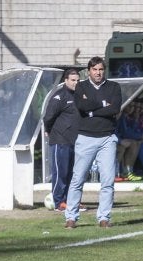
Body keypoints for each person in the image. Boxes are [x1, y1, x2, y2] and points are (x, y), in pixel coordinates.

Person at [64, 56, 122, 229]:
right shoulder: (81, 86)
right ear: (88, 71)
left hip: (107, 138)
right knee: (78, 178)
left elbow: (115, 108)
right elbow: (81, 106)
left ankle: (104, 217)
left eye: (101, 69)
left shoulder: (114, 87)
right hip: (85, 137)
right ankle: (71, 217)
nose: (98, 73)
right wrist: (103, 105)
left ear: (104, 70)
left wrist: (92, 110)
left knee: (107, 180)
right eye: (95, 69)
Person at [42, 69, 86, 212]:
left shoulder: (80, 96)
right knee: (61, 172)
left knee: (74, 174)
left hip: (76, 141)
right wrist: (49, 130)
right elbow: (48, 117)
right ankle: (59, 201)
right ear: (66, 80)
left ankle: (72, 201)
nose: (76, 83)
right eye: (73, 80)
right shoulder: (59, 96)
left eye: (78, 80)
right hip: (60, 140)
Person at [115, 103, 142, 181]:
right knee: (121, 148)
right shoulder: (112, 118)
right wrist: (120, 141)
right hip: (107, 141)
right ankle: (115, 173)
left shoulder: (122, 117)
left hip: (117, 139)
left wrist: (136, 120)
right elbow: (110, 132)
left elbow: (125, 131)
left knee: (134, 143)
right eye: (130, 106)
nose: (133, 109)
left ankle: (128, 172)